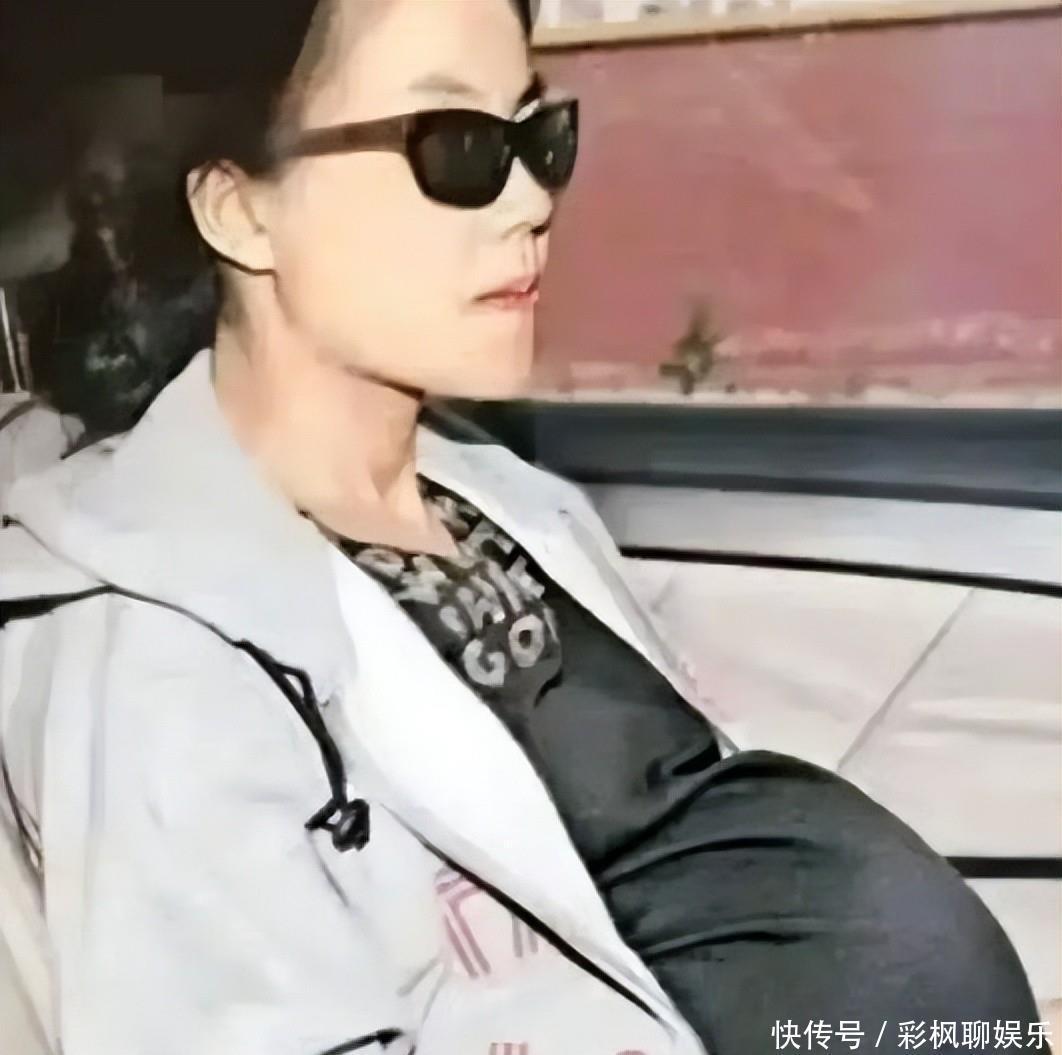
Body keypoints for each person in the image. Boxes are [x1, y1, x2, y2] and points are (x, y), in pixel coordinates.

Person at [0, 2, 1040, 1053]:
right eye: (455, 145)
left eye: (538, 136)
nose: (533, 198)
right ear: (239, 209)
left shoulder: (496, 497)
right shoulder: (164, 660)